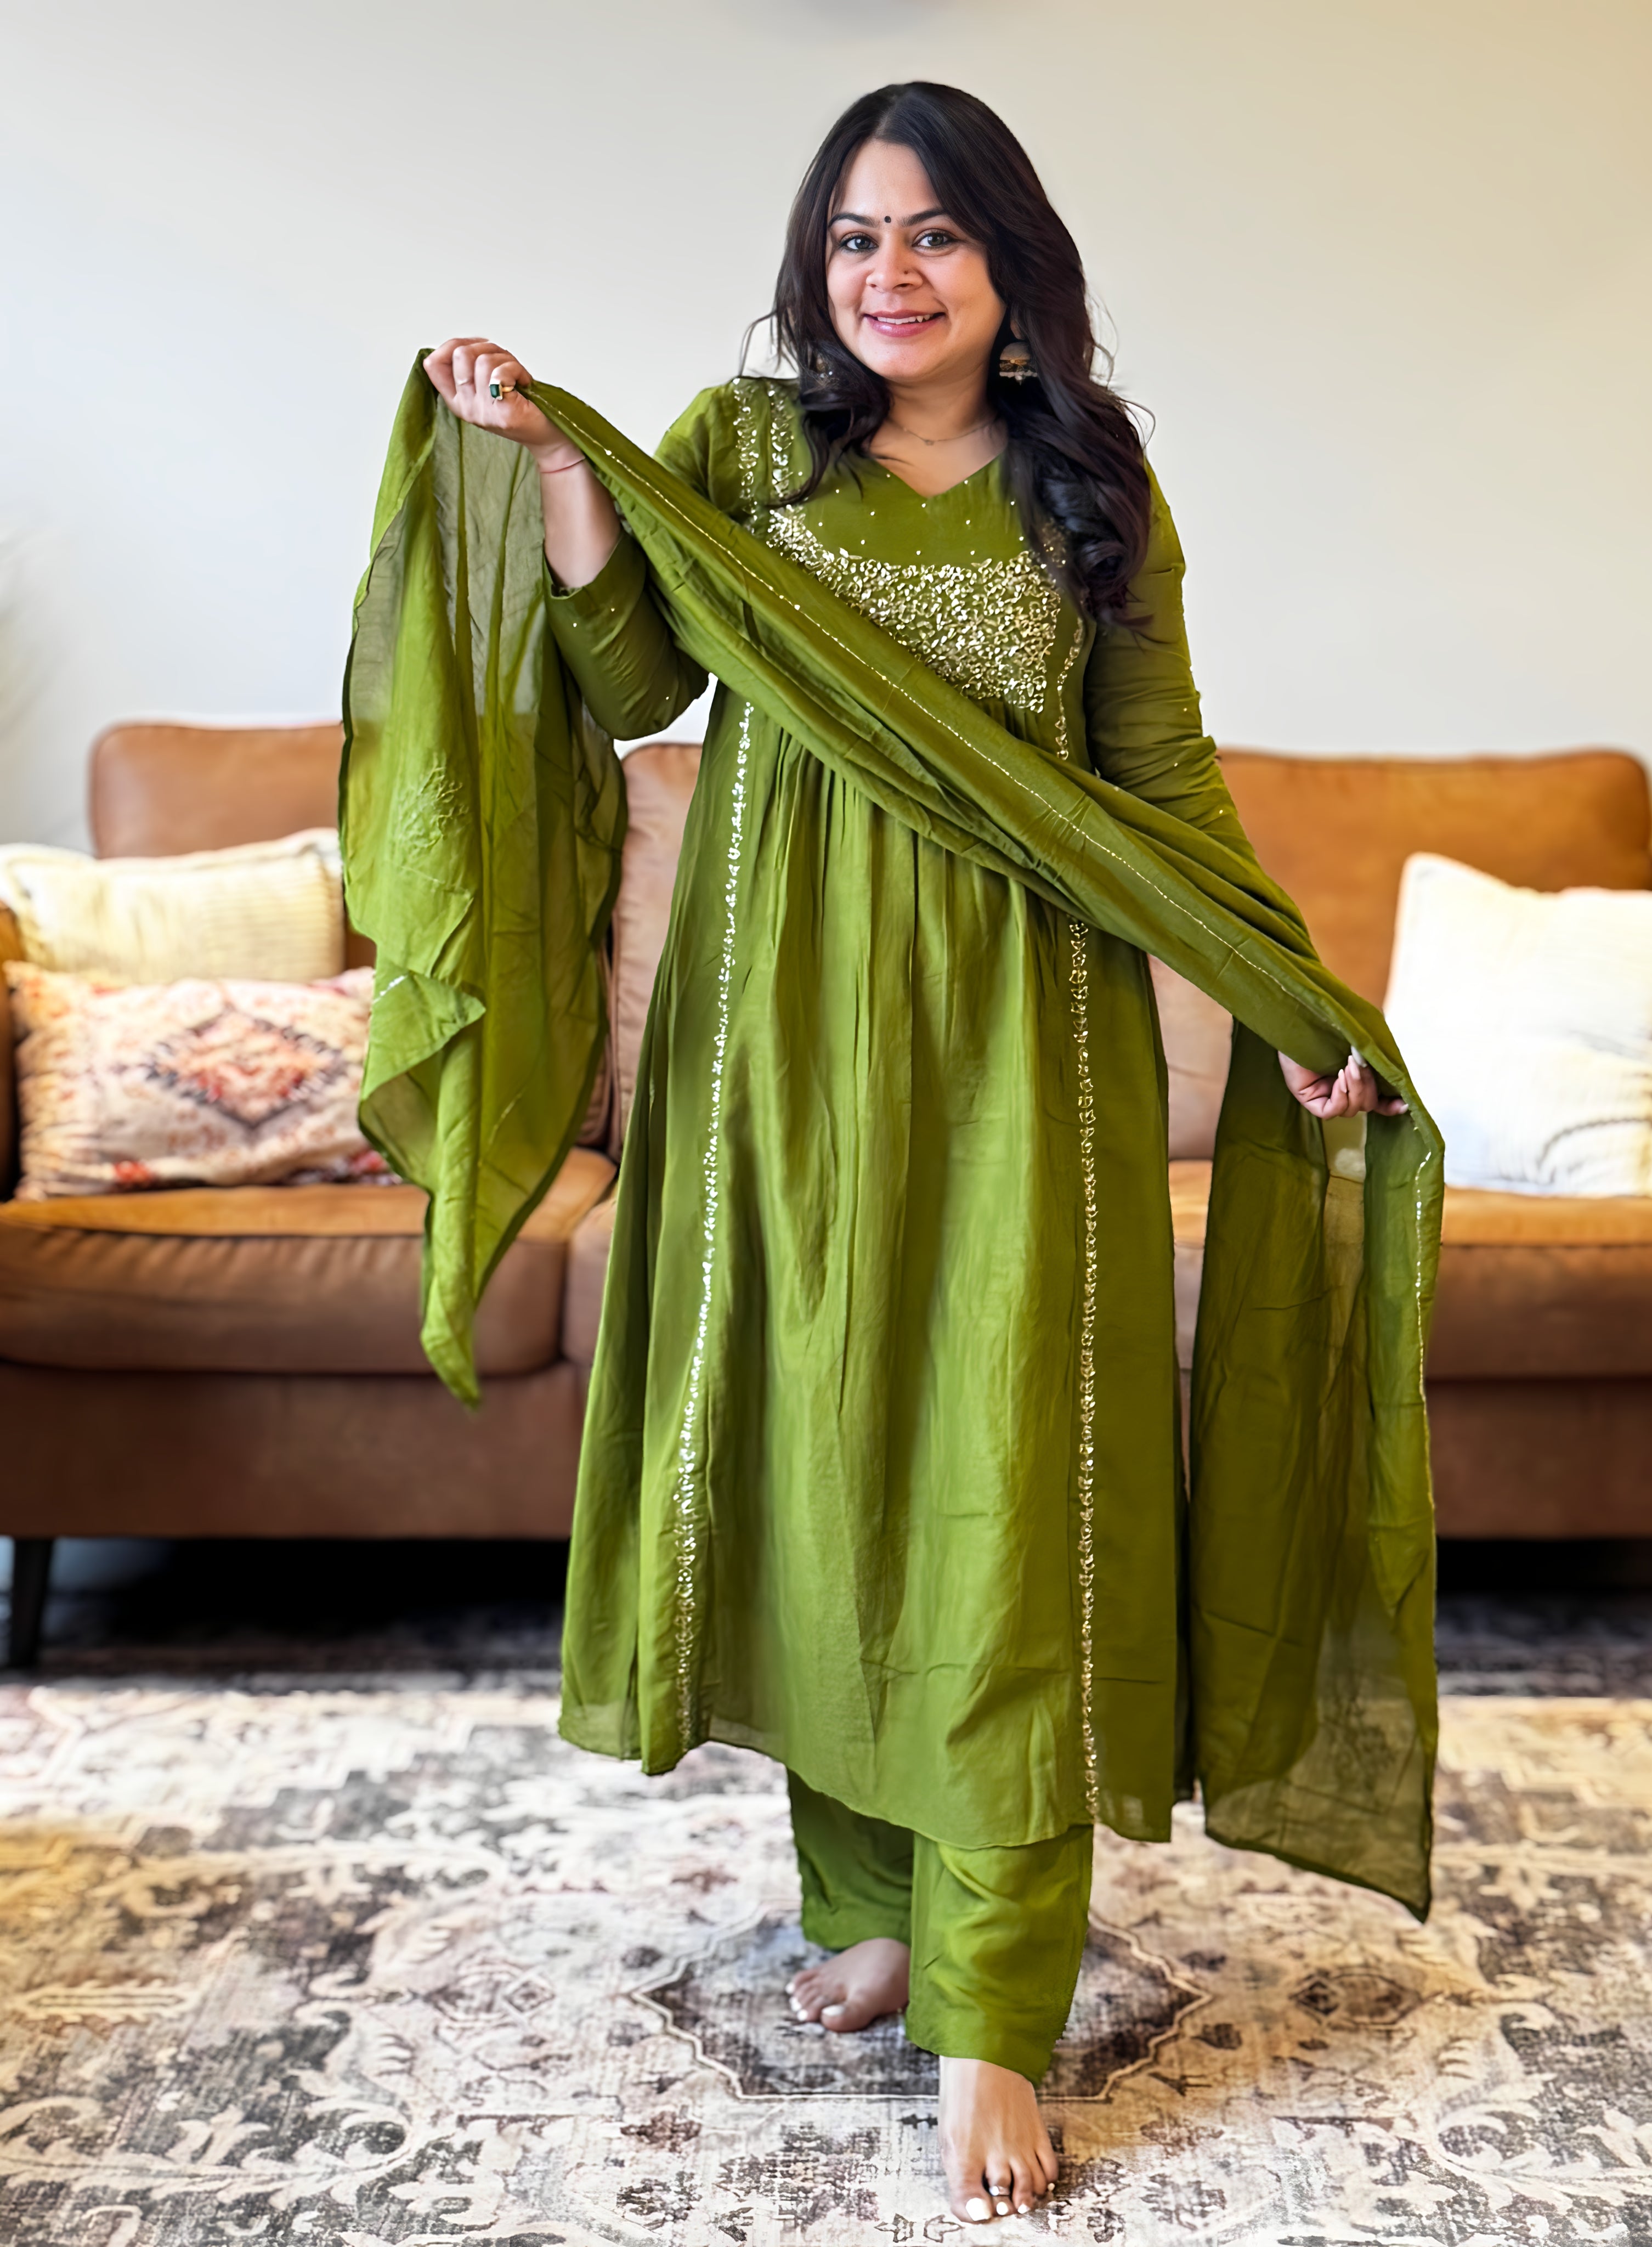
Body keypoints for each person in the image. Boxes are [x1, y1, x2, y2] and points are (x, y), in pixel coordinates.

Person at [411, 81, 1418, 2226]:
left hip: (1019, 1060)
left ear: (1014, 272)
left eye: (940, 236)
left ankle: (994, 2001)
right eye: (859, 235)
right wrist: (573, 478)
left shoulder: (1092, 488)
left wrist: (1294, 1002)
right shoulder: (742, 448)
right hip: (767, 1043)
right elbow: (617, 684)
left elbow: (1162, 778)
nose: (893, 272)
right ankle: (870, 1904)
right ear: (816, 263)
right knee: (820, 1470)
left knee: (998, 1501)